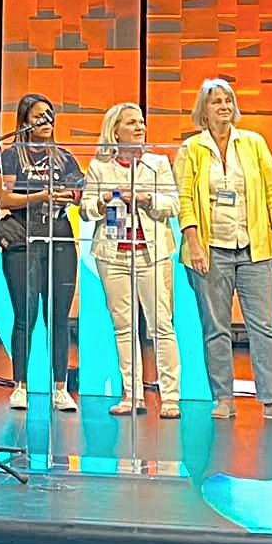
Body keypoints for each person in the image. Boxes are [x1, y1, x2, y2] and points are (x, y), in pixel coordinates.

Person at [175, 77, 272, 424]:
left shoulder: (253, 142)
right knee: (216, 326)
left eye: (228, 101)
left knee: (264, 327)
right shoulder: (191, 148)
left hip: (255, 248)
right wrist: (194, 243)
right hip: (210, 249)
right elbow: (183, 199)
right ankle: (223, 398)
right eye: (216, 101)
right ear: (204, 109)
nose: (224, 107)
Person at [82, 102, 183, 418]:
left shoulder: (157, 163)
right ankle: (132, 394)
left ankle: (170, 396)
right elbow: (85, 209)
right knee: (123, 326)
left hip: (152, 253)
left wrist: (147, 198)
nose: (140, 127)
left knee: (161, 325)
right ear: (115, 132)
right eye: (131, 123)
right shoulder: (100, 167)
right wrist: (104, 199)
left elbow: (174, 204)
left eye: (141, 122)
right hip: (114, 255)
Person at [0, 92, 83, 413]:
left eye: (50, 115)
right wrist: (42, 195)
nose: (46, 122)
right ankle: (20, 385)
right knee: (25, 315)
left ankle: (60, 388)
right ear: (25, 122)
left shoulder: (65, 157)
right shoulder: (10, 157)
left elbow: (79, 193)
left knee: (58, 318)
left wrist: (67, 195)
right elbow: (4, 199)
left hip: (59, 238)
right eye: (39, 116)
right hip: (23, 238)